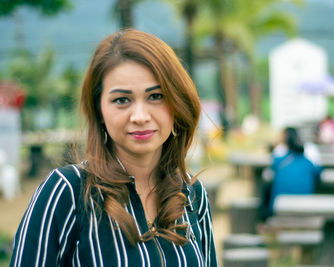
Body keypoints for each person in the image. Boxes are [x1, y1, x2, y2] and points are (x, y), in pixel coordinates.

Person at [10, 29, 218, 267]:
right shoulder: (68, 191)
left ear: (177, 103)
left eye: (156, 96)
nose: (140, 116)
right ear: (99, 110)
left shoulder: (192, 195)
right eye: (122, 100)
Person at [258, 127, 322, 226]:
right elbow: (319, 172)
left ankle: (262, 223)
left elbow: (266, 176)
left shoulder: (278, 160)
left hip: (278, 209)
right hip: (304, 209)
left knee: (266, 190)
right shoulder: (308, 162)